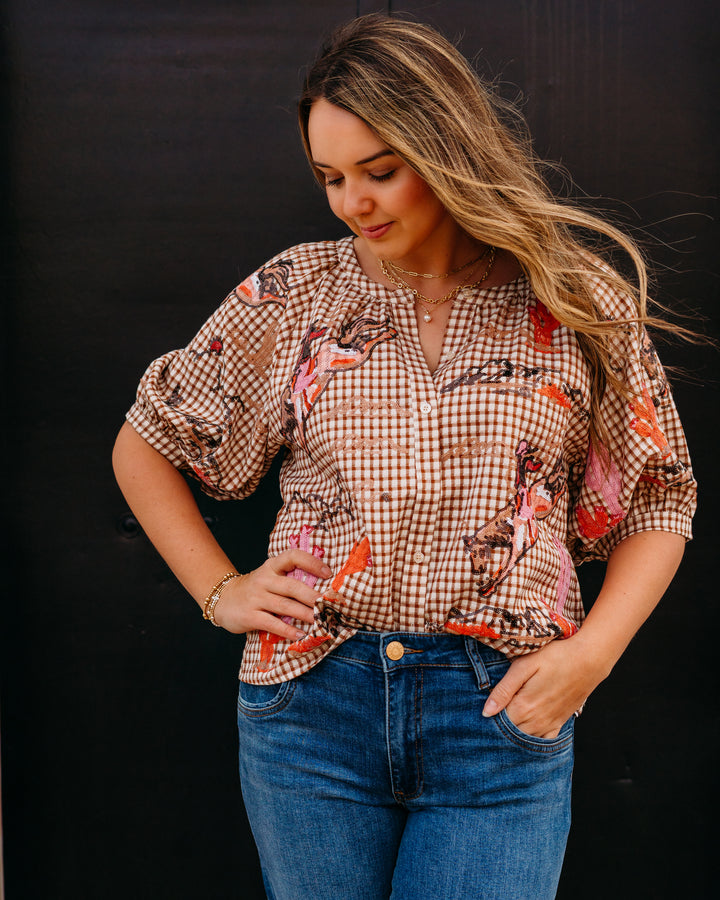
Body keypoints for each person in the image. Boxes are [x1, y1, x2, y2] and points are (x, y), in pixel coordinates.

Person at [112, 14, 697, 900]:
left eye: (380, 171)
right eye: (332, 177)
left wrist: (594, 656)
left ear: (447, 146)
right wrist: (221, 591)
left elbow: (659, 499)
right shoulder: (298, 292)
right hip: (311, 704)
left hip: (500, 715)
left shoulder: (570, 298)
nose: (354, 202)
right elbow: (144, 443)